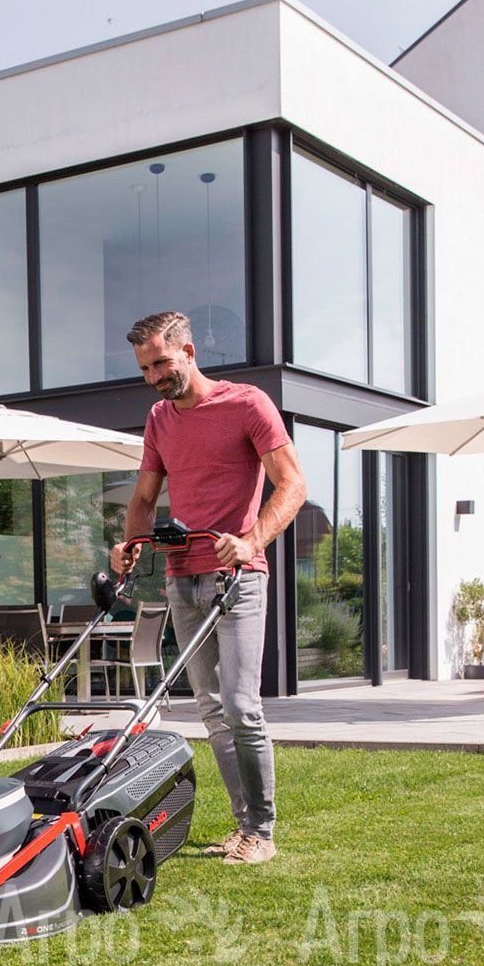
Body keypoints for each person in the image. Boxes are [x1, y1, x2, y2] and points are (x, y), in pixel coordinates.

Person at [110, 311, 306, 865]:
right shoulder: (159, 418)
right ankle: (245, 827)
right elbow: (144, 498)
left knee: (242, 706)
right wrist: (130, 546)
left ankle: (262, 831)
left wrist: (251, 540)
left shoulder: (247, 404)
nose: (155, 377)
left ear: (190, 352)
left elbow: (293, 484)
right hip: (181, 579)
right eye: (146, 369)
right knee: (212, 710)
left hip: (237, 578)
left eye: (162, 363)